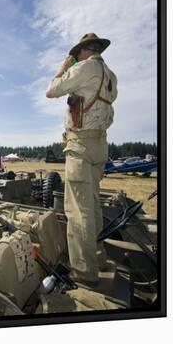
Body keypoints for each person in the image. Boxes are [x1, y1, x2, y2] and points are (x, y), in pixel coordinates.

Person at [46, 33, 118, 286]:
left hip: (82, 144)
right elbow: (107, 110)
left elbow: (51, 90)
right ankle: (97, 257)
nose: (75, 59)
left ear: (85, 51)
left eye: (77, 54)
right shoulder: (110, 75)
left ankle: (84, 273)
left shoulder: (85, 68)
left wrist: (64, 67)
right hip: (100, 144)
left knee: (78, 211)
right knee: (94, 205)